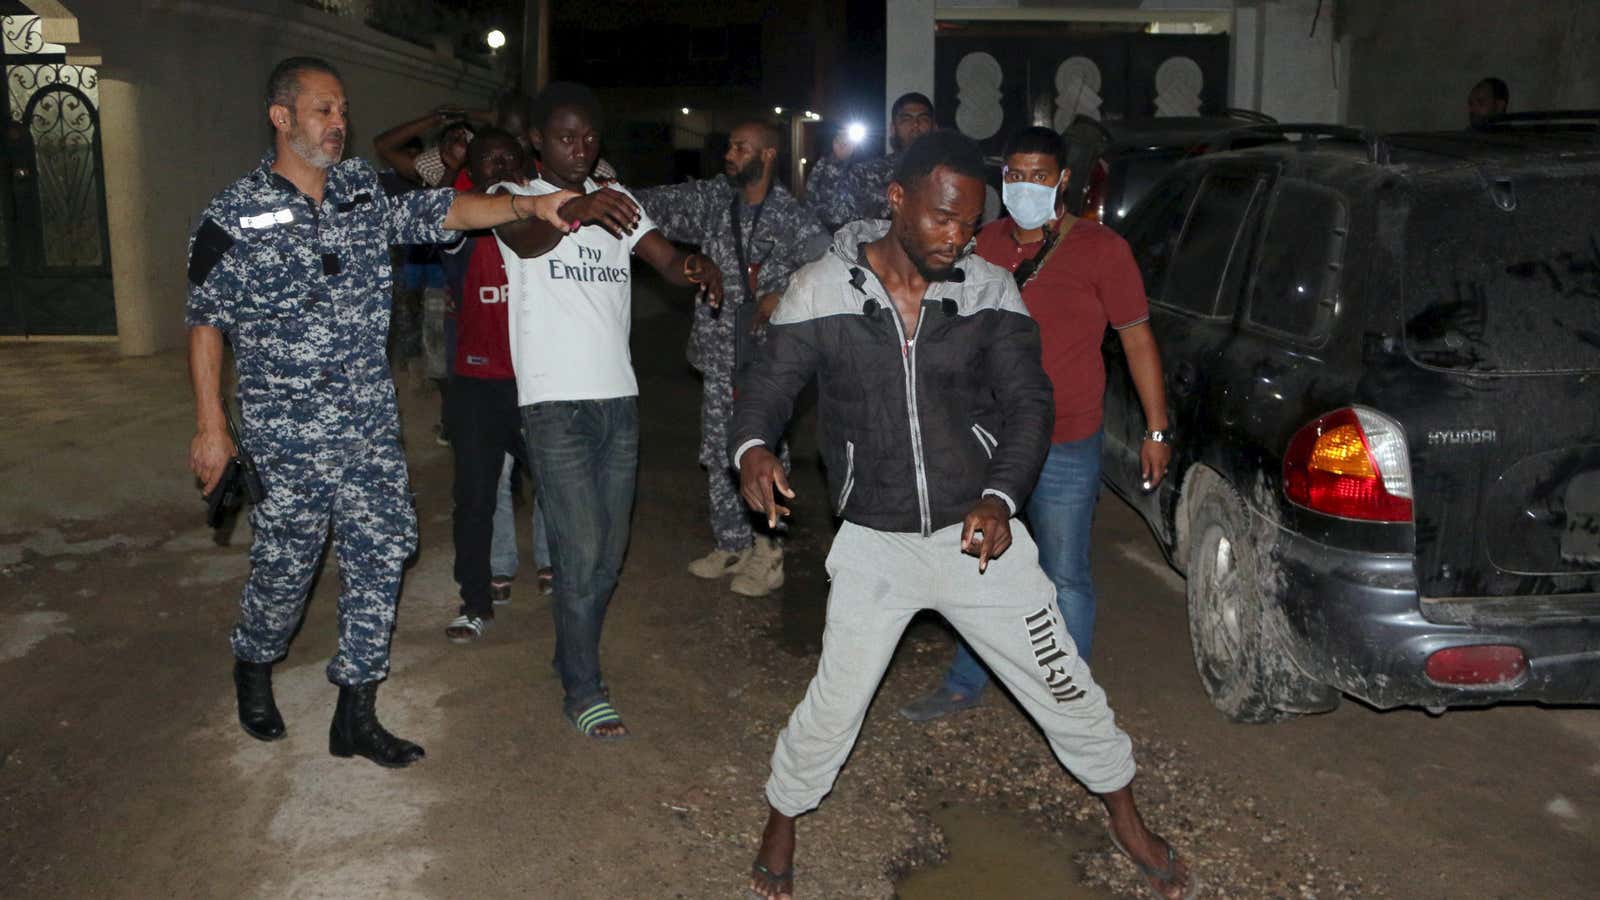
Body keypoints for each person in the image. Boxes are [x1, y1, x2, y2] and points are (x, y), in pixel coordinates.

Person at [732, 131, 1195, 900]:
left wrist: (1001, 495)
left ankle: (1126, 817)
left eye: (969, 221)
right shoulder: (822, 287)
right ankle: (782, 818)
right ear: (897, 201)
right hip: (876, 543)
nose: (959, 237)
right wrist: (753, 447)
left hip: (980, 540)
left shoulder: (987, 289)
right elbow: (769, 387)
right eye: (944, 218)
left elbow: (1028, 403)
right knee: (834, 704)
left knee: (1064, 683)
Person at [185, 57, 575, 767]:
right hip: (287, 433)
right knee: (287, 567)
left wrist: (526, 205)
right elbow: (206, 321)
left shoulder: (364, 189)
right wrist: (212, 427)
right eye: (322, 111)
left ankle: (355, 712)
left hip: (366, 425)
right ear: (282, 118)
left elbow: (448, 209)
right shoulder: (232, 213)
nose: (339, 124)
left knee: (382, 553)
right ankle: (254, 658)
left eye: (342, 112)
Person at [899, 126, 1173, 721]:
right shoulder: (980, 241)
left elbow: (1138, 340)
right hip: (986, 439)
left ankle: (1066, 696)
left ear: (1064, 180)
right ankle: (964, 682)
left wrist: (1156, 429)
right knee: (977, 564)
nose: (1025, 186)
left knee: (1064, 572)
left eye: (1039, 176)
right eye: (1015, 175)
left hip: (1067, 438)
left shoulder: (1102, 249)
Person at [490, 82, 724, 740]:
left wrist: (696, 265)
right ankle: (583, 685)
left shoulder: (616, 203)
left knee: (608, 552)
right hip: (553, 403)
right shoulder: (514, 201)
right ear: (538, 140)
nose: (581, 147)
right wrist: (578, 209)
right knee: (581, 545)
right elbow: (529, 243)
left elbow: (666, 261)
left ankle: (570, 651)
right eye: (566, 137)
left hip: (617, 400)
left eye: (590, 137)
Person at [637, 120, 829, 596]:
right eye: (729, 144)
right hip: (721, 351)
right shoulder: (714, 201)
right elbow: (655, 205)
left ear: (767, 156)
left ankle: (769, 551)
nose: (730, 153)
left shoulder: (791, 216)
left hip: (769, 361)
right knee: (718, 447)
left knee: (765, 450)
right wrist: (604, 190)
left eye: (741, 147)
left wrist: (782, 293)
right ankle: (731, 542)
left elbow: (830, 271)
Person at [437, 126, 545, 643]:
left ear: (524, 163)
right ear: (471, 172)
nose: (499, 167)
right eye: (488, 160)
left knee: (561, 491)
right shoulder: (459, 219)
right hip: (477, 384)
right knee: (475, 498)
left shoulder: (546, 217)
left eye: (509, 158)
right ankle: (474, 601)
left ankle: (571, 588)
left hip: (540, 381)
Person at [805, 91, 935, 229]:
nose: (915, 125)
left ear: (934, 127)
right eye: (906, 119)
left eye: (923, 119)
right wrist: (837, 161)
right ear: (892, 129)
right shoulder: (872, 173)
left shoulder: (951, 172)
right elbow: (830, 213)